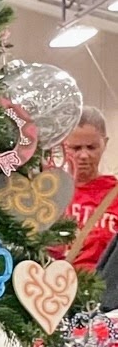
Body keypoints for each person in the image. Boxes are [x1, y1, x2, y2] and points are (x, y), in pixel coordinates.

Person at [62, 108, 118, 272]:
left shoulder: (114, 195)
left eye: (91, 147)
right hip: (53, 289)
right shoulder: (49, 193)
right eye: (76, 148)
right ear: (63, 145)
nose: (84, 155)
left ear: (104, 144)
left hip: (103, 291)